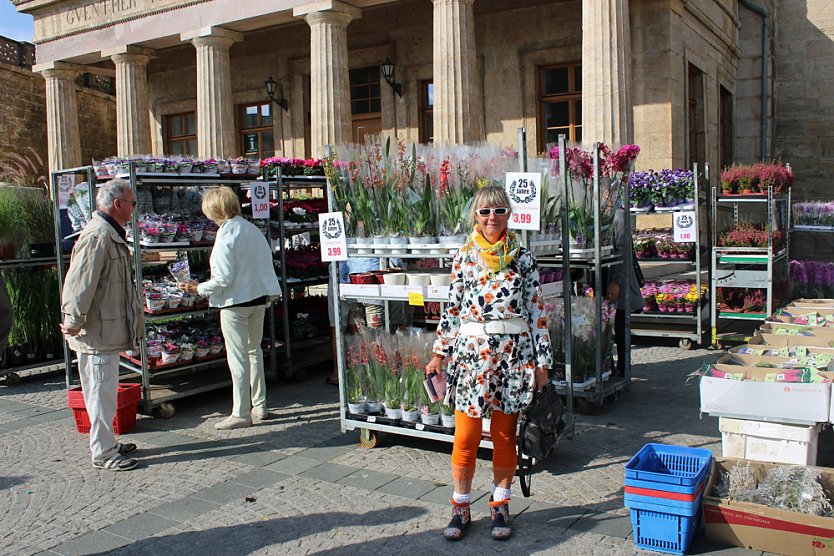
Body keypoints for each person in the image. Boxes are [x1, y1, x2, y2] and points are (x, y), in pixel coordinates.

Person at [424, 185, 552, 541]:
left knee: (503, 435)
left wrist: (542, 365)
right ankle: (461, 505)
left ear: (509, 214)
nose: (491, 218)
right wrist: (439, 353)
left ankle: (500, 503)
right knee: (465, 435)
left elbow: (538, 314)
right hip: (472, 356)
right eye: (484, 212)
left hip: (513, 357)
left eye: (498, 211)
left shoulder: (523, 259)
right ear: (475, 217)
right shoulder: (464, 256)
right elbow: (451, 310)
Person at [180, 187, 281, 430]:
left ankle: (240, 412)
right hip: (258, 299)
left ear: (215, 209)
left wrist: (199, 289)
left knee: (238, 358)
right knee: (254, 351)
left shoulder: (227, 234)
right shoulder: (252, 229)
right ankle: (260, 405)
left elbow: (224, 278)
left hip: (235, 302)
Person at [60, 179, 143, 472]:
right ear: (118, 204)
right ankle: (103, 452)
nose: (134, 209)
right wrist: (73, 320)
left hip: (103, 330)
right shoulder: (98, 235)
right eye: (132, 203)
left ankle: (107, 442)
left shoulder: (108, 233)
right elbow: (80, 283)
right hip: (96, 332)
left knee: (103, 390)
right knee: (99, 392)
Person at [606, 206, 643, 377]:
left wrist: (616, 281)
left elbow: (622, 251)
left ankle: (622, 368)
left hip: (618, 279)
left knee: (620, 325)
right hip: (603, 278)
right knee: (606, 326)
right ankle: (609, 366)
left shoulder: (618, 215)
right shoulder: (597, 213)